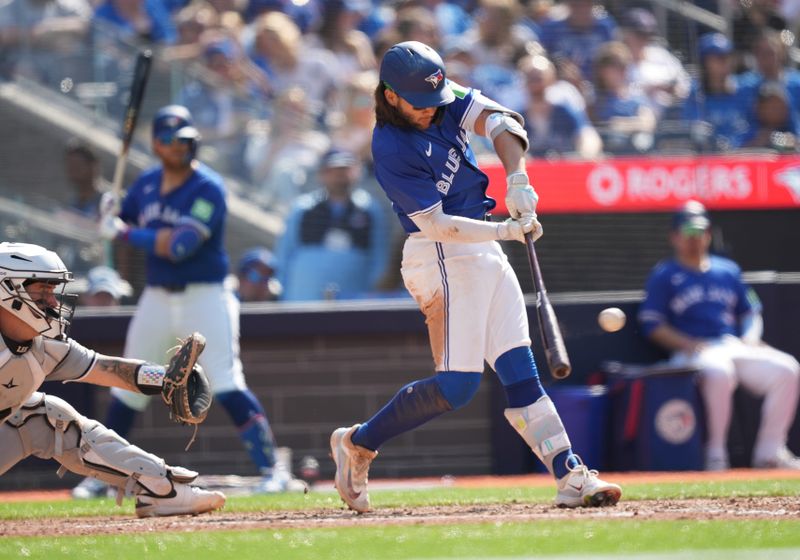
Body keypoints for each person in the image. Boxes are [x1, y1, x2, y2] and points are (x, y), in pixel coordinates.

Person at [329, 40, 621, 513]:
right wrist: (507, 228)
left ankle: (570, 474)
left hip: (482, 248)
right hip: (440, 253)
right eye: (419, 105)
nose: (430, 111)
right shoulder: (389, 146)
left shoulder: (440, 97)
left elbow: (501, 124)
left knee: (521, 374)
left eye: (434, 101)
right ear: (390, 96)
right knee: (456, 388)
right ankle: (359, 443)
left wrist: (518, 179)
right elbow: (437, 224)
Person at [74, 104, 304, 499]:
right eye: (173, 141)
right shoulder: (146, 185)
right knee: (126, 382)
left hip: (205, 296)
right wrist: (106, 210)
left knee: (227, 382)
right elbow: (117, 218)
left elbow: (180, 245)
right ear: (158, 144)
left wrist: (124, 234)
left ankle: (272, 470)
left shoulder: (208, 188)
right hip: (158, 298)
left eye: (187, 141)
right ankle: (102, 473)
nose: (182, 148)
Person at [0, 241, 226, 517]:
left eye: (52, 291)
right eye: (43, 291)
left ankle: (161, 489)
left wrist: (167, 379)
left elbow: (107, 369)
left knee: (47, 416)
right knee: (34, 411)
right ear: (7, 289)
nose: (53, 302)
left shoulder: (46, 347)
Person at [638, 201, 800, 471]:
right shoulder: (664, 275)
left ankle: (770, 452)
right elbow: (652, 325)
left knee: (787, 369)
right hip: (691, 353)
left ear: (708, 234)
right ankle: (715, 453)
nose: (694, 239)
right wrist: (686, 343)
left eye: (699, 232)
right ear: (674, 236)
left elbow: (750, 312)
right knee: (719, 372)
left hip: (731, 345)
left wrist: (750, 338)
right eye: (687, 232)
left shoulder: (728, 270)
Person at [274, 148, 390, 301]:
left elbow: (378, 257)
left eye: (346, 170)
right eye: (333, 170)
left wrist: (372, 294)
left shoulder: (370, 210)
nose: (340, 176)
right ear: (322, 174)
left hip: (351, 300)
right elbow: (284, 254)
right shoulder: (302, 209)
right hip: (303, 298)